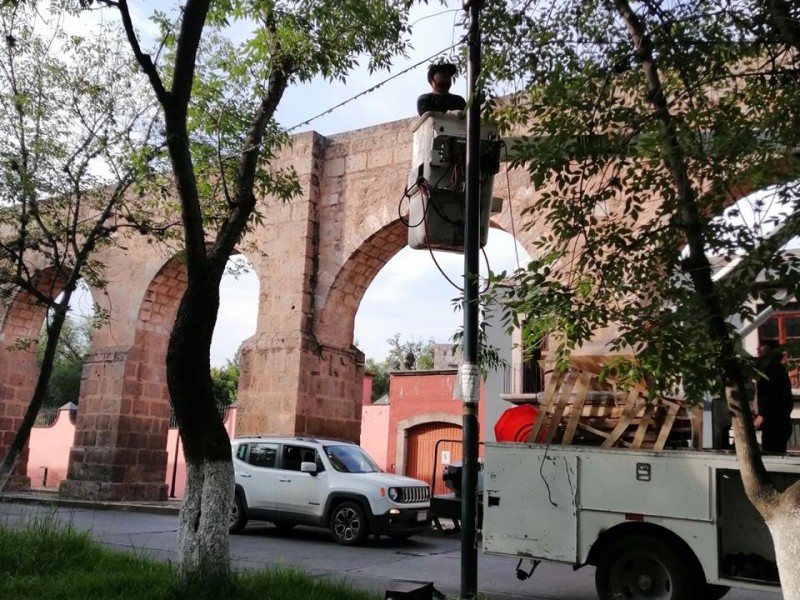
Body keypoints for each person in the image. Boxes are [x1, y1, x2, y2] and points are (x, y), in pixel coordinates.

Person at [754, 339, 794, 453]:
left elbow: (775, 396)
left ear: (772, 350)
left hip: (776, 423)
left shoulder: (775, 369)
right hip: (773, 422)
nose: (758, 349)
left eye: (762, 345)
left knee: (773, 455)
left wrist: (762, 416)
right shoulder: (765, 368)